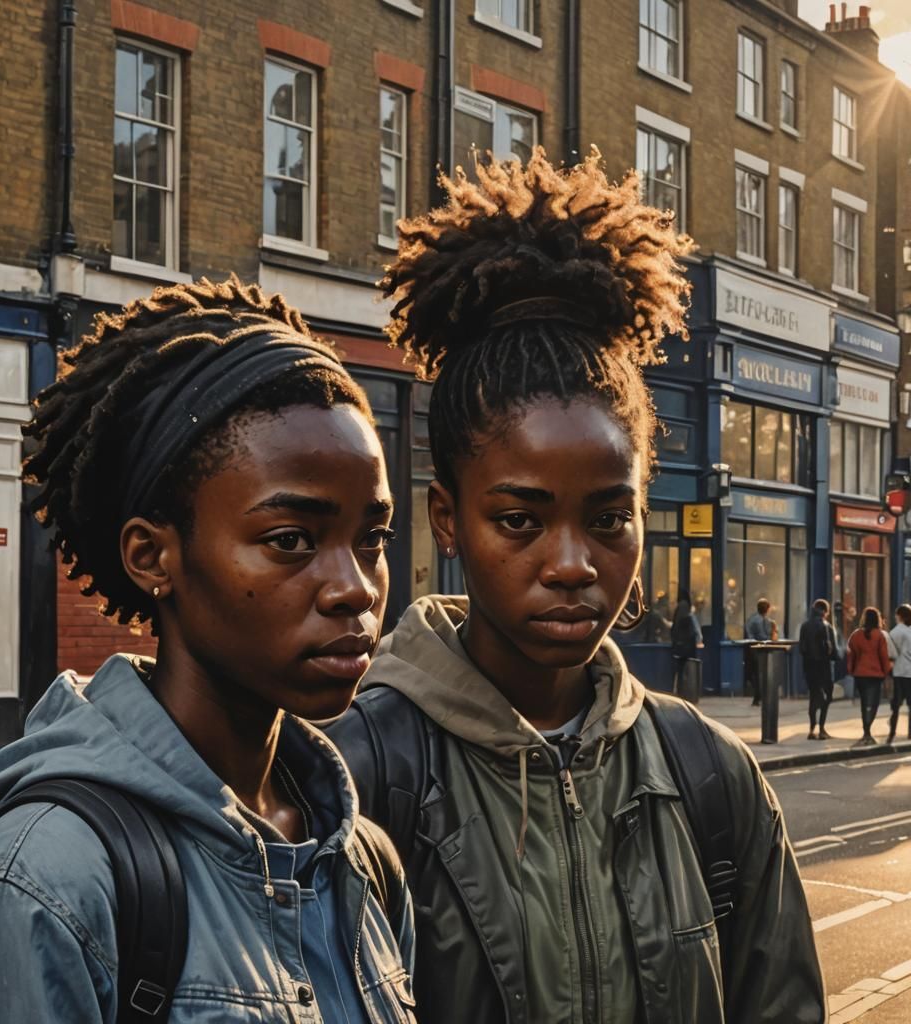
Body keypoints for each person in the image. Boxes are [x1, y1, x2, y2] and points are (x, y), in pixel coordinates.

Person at [327, 150, 824, 1023]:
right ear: (447, 518)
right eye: (519, 520)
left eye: (608, 519)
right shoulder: (353, 778)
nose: (571, 564)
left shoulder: (715, 780)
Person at [0, 278, 416, 1022]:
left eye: (370, 539)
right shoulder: (45, 886)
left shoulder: (362, 859)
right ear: (154, 557)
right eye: (290, 540)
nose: (355, 588)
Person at [847, 606, 892, 747]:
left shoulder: (856, 635)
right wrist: (886, 672)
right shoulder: (880, 635)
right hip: (875, 674)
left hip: (860, 674)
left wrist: (851, 670)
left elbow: (851, 655)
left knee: (864, 703)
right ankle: (867, 732)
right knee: (873, 704)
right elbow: (884, 656)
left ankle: (866, 732)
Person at [799, 599, 835, 740]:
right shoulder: (826, 626)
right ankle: (822, 728)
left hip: (809, 667)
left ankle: (811, 728)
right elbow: (831, 649)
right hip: (823, 667)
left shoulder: (804, 626)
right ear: (825, 611)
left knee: (814, 696)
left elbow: (802, 648)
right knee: (827, 696)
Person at [669, 588, 703, 694]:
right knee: (686, 669)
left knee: (680, 669)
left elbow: (677, 626)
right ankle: (686, 691)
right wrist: (697, 638)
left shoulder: (680, 607)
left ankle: (680, 690)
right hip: (686, 644)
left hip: (680, 644)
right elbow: (689, 625)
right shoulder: (686, 607)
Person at [744, 597, 775, 706]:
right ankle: (760, 696)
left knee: (753, 674)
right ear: (767, 609)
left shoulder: (752, 619)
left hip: (750, 649)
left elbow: (748, 633)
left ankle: (757, 697)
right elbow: (764, 636)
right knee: (760, 674)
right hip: (760, 649)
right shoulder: (763, 620)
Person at [887, 604, 911, 744]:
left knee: (896, 705)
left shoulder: (896, 632)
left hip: (899, 671)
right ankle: (910, 733)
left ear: (899, 616)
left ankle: (892, 733)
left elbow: (890, 653)